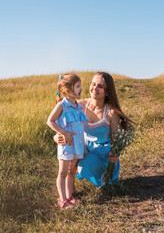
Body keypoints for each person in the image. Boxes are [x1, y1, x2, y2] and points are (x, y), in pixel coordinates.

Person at [54, 71, 133, 188]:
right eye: (93, 84)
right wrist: (56, 136)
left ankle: (104, 177)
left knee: (83, 167)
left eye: (100, 86)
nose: (95, 88)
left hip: (103, 151)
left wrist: (115, 153)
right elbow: (62, 125)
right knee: (70, 155)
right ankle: (69, 191)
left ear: (107, 92)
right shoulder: (79, 105)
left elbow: (117, 140)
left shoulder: (111, 113)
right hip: (83, 146)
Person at [47, 74, 89, 209]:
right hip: (66, 145)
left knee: (72, 171)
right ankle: (63, 200)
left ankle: (70, 196)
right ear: (67, 90)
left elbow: (81, 128)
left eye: (80, 86)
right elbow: (50, 121)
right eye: (77, 87)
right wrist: (63, 132)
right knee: (63, 172)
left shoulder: (78, 106)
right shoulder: (62, 105)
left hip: (76, 144)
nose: (81, 89)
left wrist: (83, 146)